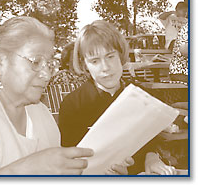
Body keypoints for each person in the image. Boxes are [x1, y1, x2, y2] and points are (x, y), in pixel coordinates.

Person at [0, 16, 130, 175]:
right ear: (1, 60)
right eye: (36, 61)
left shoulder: (40, 113)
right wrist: (29, 169)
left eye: (50, 64)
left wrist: (97, 170)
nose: (47, 74)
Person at [58, 20, 177, 175]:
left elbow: (149, 138)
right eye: (95, 61)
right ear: (84, 64)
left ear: (120, 55)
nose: (106, 67)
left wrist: (152, 158)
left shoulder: (140, 95)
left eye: (110, 56)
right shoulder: (73, 105)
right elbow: (70, 161)